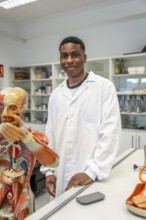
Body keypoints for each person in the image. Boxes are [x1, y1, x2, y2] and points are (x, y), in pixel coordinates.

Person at [40, 36, 121, 197]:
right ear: (60, 60)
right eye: (64, 56)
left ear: (84, 58)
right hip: (60, 173)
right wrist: (49, 171)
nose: (69, 60)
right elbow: (50, 136)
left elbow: (110, 133)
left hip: (90, 174)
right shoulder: (56, 95)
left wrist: (91, 172)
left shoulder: (103, 87)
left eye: (75, 54)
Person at [0, 87, 59, 219]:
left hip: (22, 200)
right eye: (1, 107)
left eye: (12, 108)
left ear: (23, 109)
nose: (4, 113)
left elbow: (54, 162)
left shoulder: (34, 137)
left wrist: (27, 139)